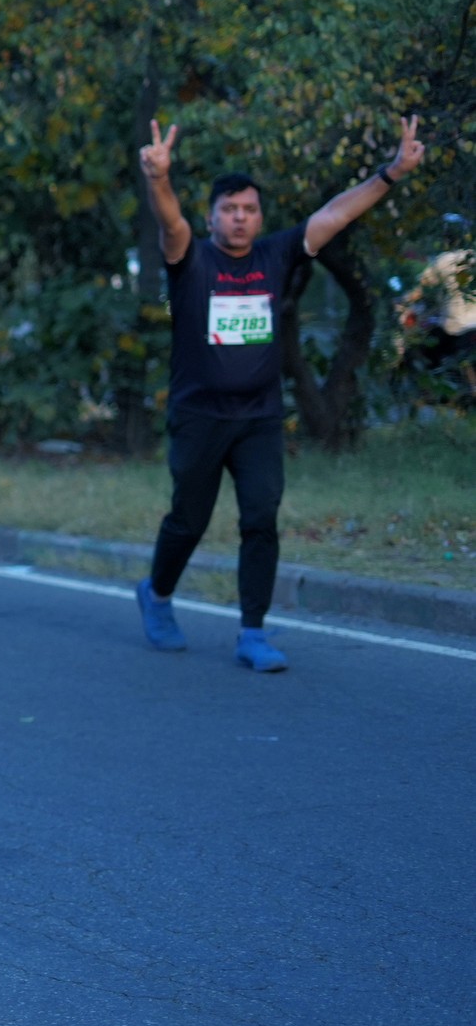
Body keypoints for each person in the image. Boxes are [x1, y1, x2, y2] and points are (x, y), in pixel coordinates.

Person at [134, 114, 427, 673]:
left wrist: (391, 172)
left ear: (260, 216)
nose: (240, 218)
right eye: (229, 209)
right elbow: (170, 223)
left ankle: (253, 632)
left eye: (249, 209)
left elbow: (335, 214)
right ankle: (157, 593)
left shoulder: (275, 255)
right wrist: (159, 178)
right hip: (199, 417)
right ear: (212, 217)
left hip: (260, 418)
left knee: (260, 518)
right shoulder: (192, 259)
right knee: (188, 521)